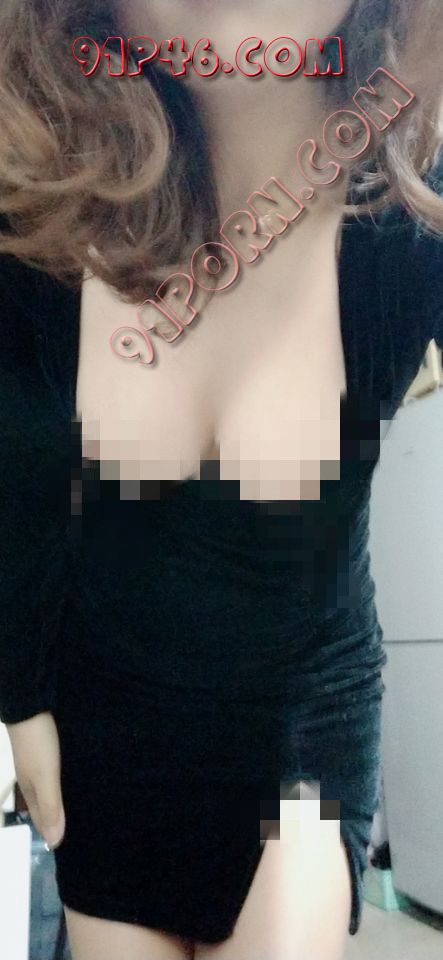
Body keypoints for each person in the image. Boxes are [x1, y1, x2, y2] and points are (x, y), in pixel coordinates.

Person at [0, 2, 442, 959]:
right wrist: (19, 695)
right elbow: (17, 487)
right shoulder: (31, 200)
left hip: (299, 720)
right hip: (102, 719)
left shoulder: (415, 209)